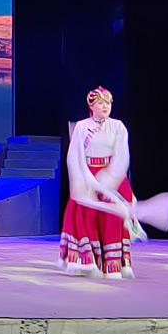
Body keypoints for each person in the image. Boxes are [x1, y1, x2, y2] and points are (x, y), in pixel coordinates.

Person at [61, 87, 139, 279]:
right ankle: (90, 262)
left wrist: (109, 179)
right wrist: (85, 179)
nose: (105, 107)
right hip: (87, 174)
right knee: (88, 216)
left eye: (108, 103)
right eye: (100, 103)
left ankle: (114, 266)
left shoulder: (118, 126)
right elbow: (74, 155)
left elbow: (122, 155)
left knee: (113, 218)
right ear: (92, 106)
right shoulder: (82, 127)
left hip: (112, 177)